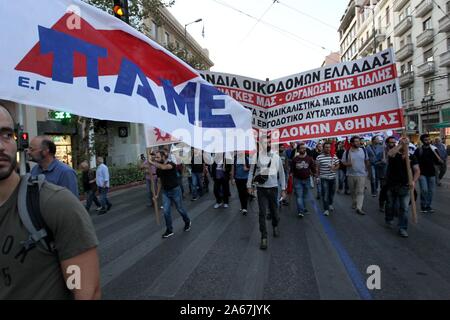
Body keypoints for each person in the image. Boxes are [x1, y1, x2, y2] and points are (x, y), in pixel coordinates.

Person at [0, 106, 100, 299]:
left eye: (6, 134)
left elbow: (85, 292)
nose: (1, 146)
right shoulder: (35, 172)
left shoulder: (58, 201)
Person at [247, 136, 286, 250]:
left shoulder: (276, 157)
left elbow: (282, 174)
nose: (267, 145)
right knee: (262, 213)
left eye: (268, 143)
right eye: (264, 143)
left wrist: (283, 189)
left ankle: (275, 225)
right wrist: (249, 186)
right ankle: (263, 237)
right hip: (261, 189)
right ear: (260, 145)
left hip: (274, 188)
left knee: (274, 211)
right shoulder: (256, 156)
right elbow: (251, 171)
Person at [150, 151, 191, 238]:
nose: (156, 159)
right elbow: (160, 182)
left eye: (157, 157)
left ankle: (187, 221)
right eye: (155, 157)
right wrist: (157, 195)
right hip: (165, 192)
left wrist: (152, 162)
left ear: (164, 157)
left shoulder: (171, 164)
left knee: (180, 209)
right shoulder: (158, 168)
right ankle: (169, 230)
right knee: (166, 211)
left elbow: (164, 167)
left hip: (175, 190)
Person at [385, 137, 420, 238]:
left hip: (405, 186)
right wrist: (401, 144)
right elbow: (390, 153)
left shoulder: (412, 157)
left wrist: (413, 181)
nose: (405, 145)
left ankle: (402, 228)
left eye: (407, 144)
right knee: (390, 204)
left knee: (404, 208)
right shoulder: (394, 154)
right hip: (392, 184)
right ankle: (389, 218)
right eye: (403, 143)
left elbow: (417, 170)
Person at [414, 134, 444, 213]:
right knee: (424, 190)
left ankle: (428, 206)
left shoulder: (434, 149)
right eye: (426, 140)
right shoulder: (418, 150)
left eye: (428, 139)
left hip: (432, 173)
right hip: (422, 173)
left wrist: (440, 161)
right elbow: (414, 160)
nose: (427, 141)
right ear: (422, 141)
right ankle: (423, 205)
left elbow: (438, 161)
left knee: (431, 191)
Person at [343, 136, 370, 215]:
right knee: (353, 191)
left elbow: (367, 160)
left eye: (358, 141)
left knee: (360, 191)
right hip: (350, 174)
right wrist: (348, 164)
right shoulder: (347, 152)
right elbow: (343, 162)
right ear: (351, 143)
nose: (357, 143)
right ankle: (354, 202)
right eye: (355, 141)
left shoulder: (363, 150)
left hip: (361, 174)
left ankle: (359, 207)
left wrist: (368, 171)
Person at [291, 142, 315, 217]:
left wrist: (316, 175)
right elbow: (292, 170)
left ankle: (303, 207)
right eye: (301, 148)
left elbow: (313, 168)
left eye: (304, 148)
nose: (303, 149)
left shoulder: (309, 158)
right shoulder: (295, 159)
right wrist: (291, 176)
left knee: (304, 196)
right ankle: (300, 211)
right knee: (299, 196)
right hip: (297, 180)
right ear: (298, 150)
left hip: (307, 180)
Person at [316, 142, 340, 216]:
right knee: (325, 194)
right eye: (326, 147)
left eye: (329, 147)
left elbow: (338, 165)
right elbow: (317, 168)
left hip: (332, 178)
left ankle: (330, 204)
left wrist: (334, 168)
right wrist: (317, 177)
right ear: (323, 148)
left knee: (332, 193)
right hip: (324, 178)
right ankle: (326, 209)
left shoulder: (334, 156)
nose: (328, 148)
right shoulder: (319, 157)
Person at [234, 150, 250, 215]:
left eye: (240, 151)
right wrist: (232, 178)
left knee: (244, 193)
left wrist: (246, 168)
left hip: (245, 178)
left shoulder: (246, 158)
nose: (239, 152)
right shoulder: (235, 159)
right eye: (238, 151)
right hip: (237, 178)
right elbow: (234, 168)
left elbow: (251, 168)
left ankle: (245, 208)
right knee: (240, 193)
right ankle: (242, 206)